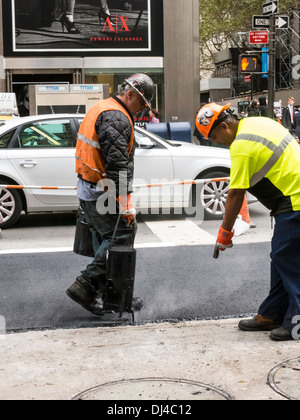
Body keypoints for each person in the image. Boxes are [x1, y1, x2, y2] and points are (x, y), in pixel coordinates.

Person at [195, 103, 300, 341]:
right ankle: (272, 313)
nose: (216, 142)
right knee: (281, 258)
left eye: (214, 136)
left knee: (288, 259)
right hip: (292, 198)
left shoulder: (241, 145)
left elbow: (235, 193)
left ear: (224, 126)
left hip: (294, 201)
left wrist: (224, 233)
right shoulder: (258, 122)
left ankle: (297, 322)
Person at [66, 73, 155, 316]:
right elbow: (118, 165)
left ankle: (112, 295)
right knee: (122, 236)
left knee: (104, 239)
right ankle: (85, 286)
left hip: (91, 186)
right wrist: (125, 204)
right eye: (141, 104)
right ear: (131, 95)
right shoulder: (116, 116)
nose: (141, 111)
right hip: (100, 190)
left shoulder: (104, 108)